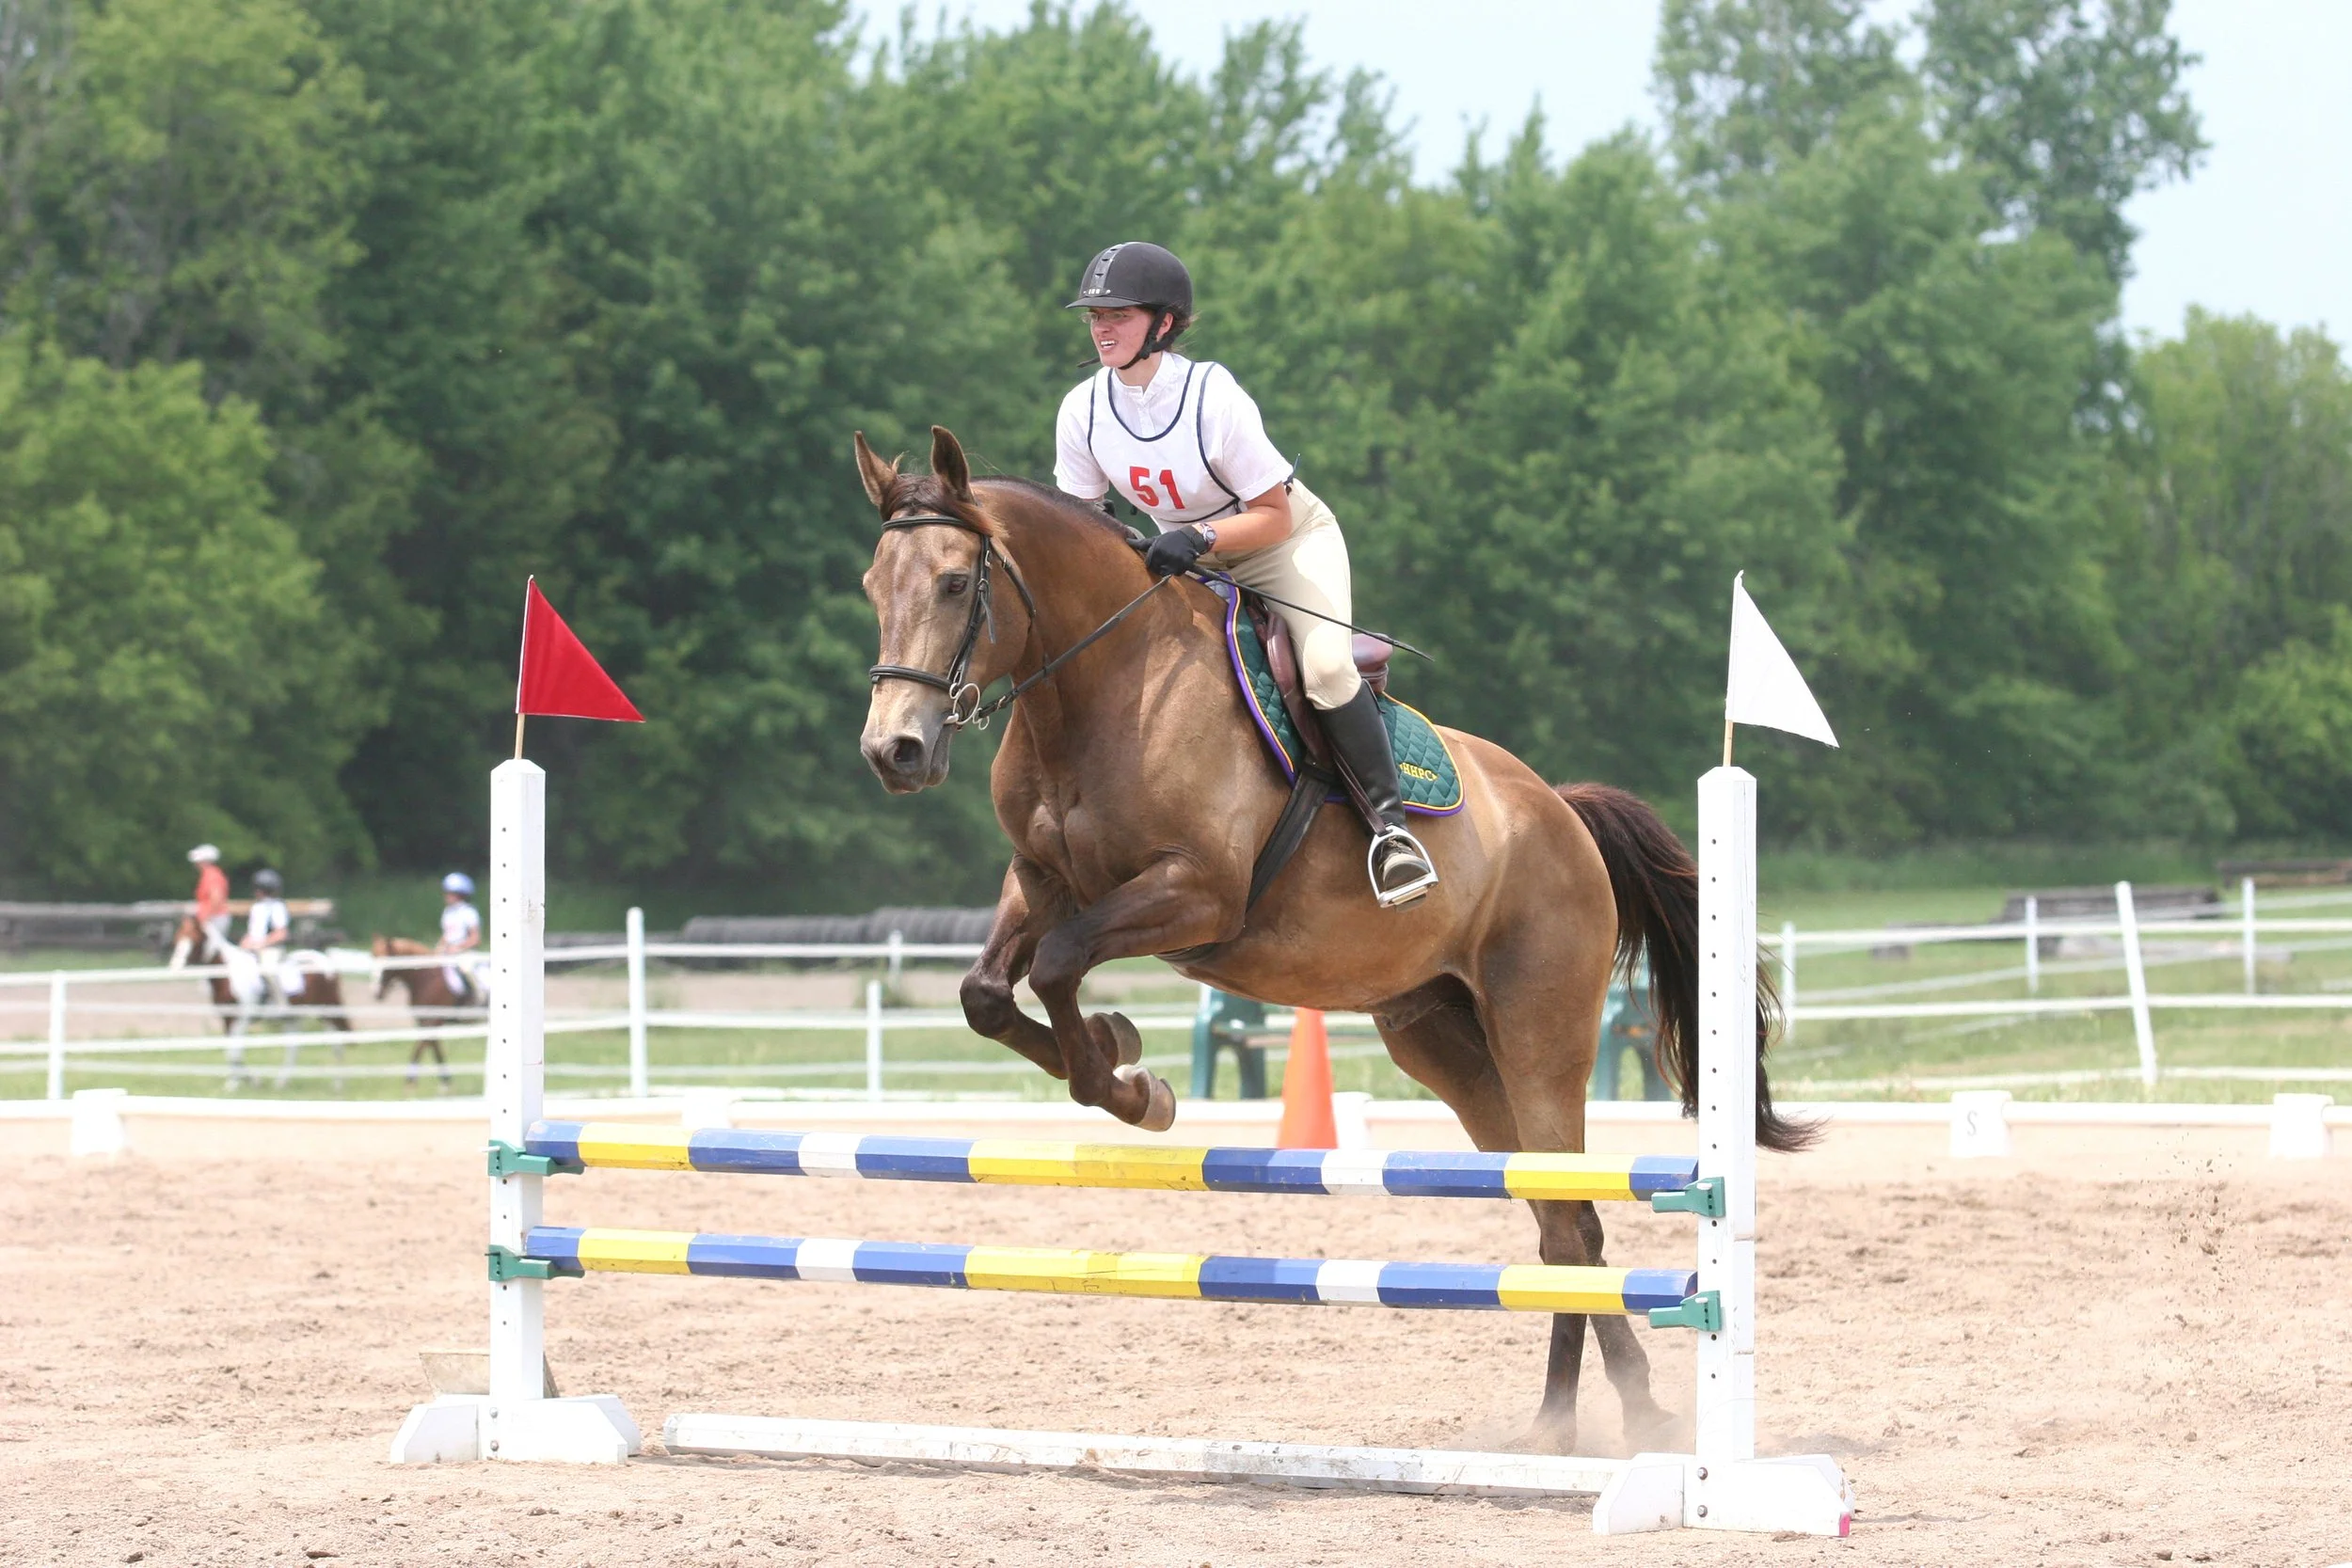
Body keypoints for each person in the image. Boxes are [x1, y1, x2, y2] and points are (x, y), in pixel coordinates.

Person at [1054, 241, 1438, 907]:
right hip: (1184, 556)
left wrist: (1197, 536)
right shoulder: (1082, 411)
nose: (1102, 328)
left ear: (1164, 324)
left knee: (1323, 669)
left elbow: (1273, 516)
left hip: (1280, 542)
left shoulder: (1211, 395)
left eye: (1119, 314)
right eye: (1095, 316)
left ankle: (1392, 832)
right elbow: (1083, 524)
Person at [240, 868, 291, 1003]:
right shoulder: (256, 907)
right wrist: (245, 941)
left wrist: (261, 944)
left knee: (268, 971)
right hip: (253, 949)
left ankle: (280, 1002)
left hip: (270, 949)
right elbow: (253, 931)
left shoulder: (277, 907)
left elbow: (281, 933)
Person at [437, 873, 481, 1003]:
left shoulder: (469, 912)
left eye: (451, 893)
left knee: (467, 969)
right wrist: (439, 947)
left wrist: (458, 948)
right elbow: (446, 935)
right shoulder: (447, 912)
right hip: (447, 952)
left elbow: (475, 938)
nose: (447, 896)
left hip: (463, 953)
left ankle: (476, 998)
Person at [187, 845, 230, 956]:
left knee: (212, 950)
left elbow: (216, 898)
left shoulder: (212, 876)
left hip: (214, 918)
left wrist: (205, 917)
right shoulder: (210, 875)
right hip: (213, 917)